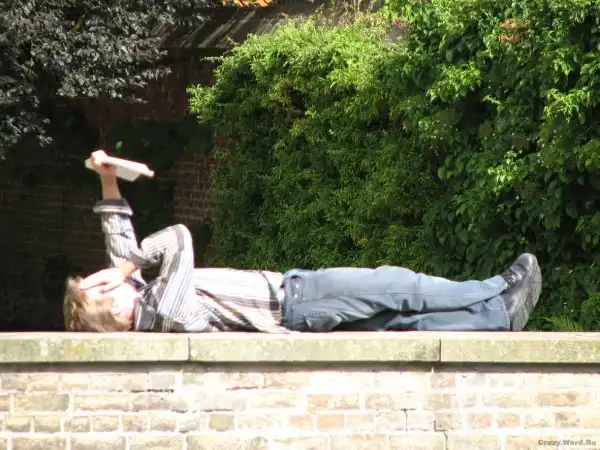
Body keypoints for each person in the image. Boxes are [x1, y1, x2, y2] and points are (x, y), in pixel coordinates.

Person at [64, 151, 542, 333]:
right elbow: (178, 239)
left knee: (401, 323)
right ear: (117, 305)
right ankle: (496, 289)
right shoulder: (166, 310)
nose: (108, 275)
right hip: (298, 300)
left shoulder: (145, 305)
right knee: (400, 286)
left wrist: (108, 178)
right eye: (102, 284)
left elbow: (120, 241)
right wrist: (125, 269)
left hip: (297, 308)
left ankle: (496, 316)